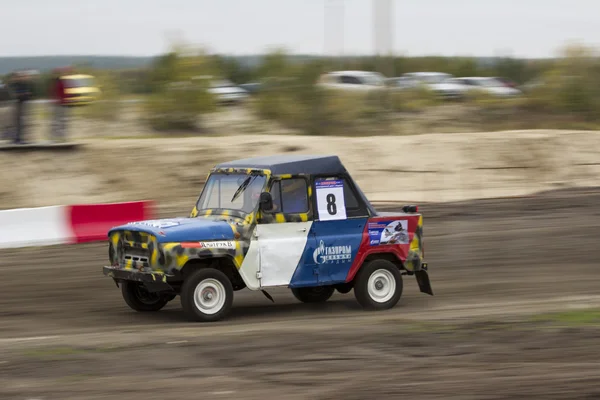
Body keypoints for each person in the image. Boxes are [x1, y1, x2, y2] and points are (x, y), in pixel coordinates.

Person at [10, 71, 33, 144]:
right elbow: (15, 95)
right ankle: (17, 139)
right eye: (18, 77)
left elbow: (26, 95)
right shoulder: (14, 85)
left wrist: (26, 95)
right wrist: (23, 94)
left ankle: (19, 138)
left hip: (22, 104)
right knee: (17, 122)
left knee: (21, 122)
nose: (21, 78)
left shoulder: (23, 84)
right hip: (17, 104)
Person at [50, 69, 68, 142]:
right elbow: (52, 92)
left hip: (62, 103)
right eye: (56, 74)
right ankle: (54, 137)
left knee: (62, 120)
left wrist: (64, 100)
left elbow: (64, 92)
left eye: (58, 73)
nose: (57, 75)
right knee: (55, 120)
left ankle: (62, 137)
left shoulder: (62, 82)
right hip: (56, 103)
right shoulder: (53, 82)